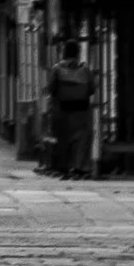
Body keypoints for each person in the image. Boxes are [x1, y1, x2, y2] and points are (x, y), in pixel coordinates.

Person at [44, 46, 95, 178]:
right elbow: (92, 89)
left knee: (64, 139)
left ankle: (64, 167)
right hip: (82, 110)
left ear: (64, 53)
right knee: (82, 139)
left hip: (63, 109)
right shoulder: (85, 69)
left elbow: (51, 88)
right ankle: (79, 166)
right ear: (78, 54)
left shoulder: (57, 69)